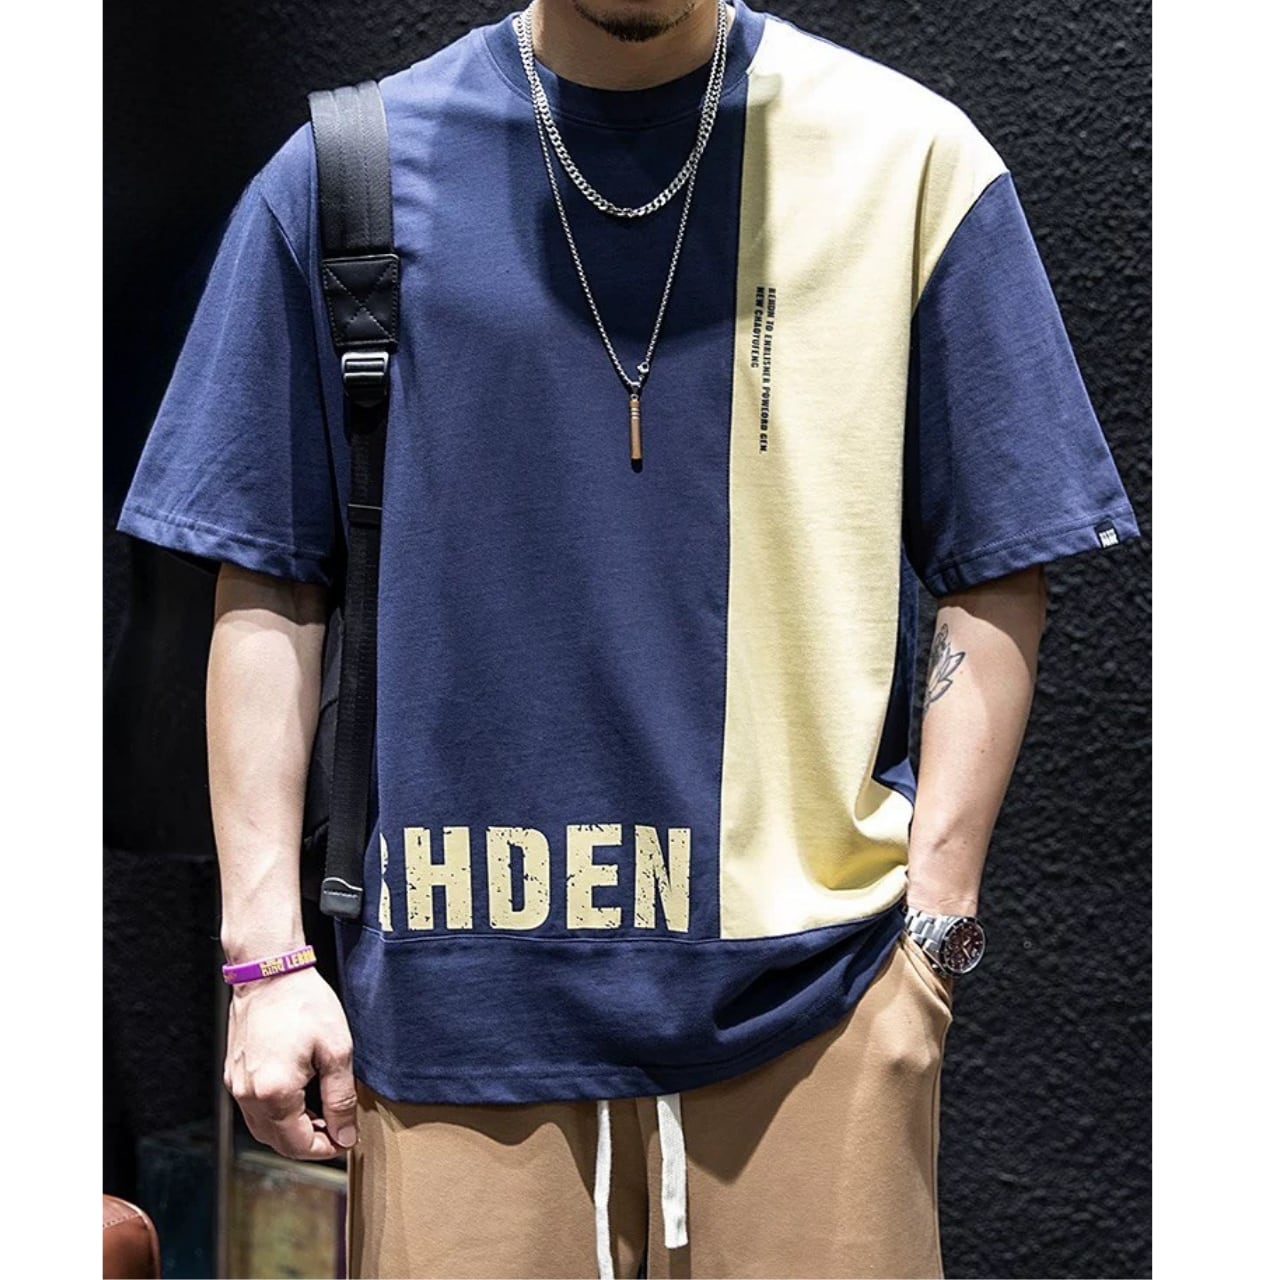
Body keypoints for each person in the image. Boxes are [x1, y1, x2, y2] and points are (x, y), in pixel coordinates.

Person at [114, 1, 1141, 1276]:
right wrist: (266, 960)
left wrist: (930, 933)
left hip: (813, 1006)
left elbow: (997, 562)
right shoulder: (346, 181)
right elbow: (269, 579)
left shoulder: (907, 163)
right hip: (454, 1015)